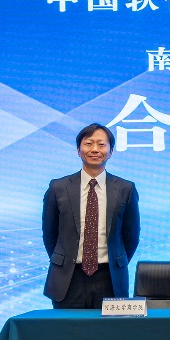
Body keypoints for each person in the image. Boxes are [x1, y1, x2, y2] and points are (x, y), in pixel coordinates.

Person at [42, 124, 141, 309]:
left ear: (110, 152)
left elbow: (131, 236)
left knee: (108, 328)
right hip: (68, 278)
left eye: (101, 144)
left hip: (109, 278)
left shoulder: (125, 189)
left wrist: (116, 261)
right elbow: (50, 234)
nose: (95, 149)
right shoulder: (58, 187)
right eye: (88, 143)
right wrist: (64, 261)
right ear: (78, 150)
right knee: (67, 327)